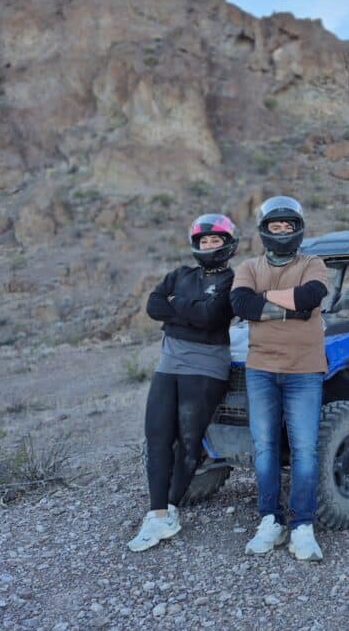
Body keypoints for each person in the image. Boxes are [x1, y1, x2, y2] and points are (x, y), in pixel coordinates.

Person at [128, 214, 239, 552]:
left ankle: (168, 510)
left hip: (206, 367)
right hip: (169, 363)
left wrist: (178, 306)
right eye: (204, 241)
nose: (208, 246)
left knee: (190, 440)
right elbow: (153, 305)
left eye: (215, 241)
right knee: (158, 435)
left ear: (227, 244)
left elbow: (212, 317)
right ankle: (158, 512)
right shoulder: (180, 275)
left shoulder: (232, 279)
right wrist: (190, 309)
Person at [230, 196, 329, 561]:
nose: (283, 231)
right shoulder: (249, 266)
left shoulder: (313, 263)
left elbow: (311, 297)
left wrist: (265, 303)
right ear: (265, 231)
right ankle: (269, 520)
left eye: (289, 226)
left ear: (298, 229)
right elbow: (240, 304)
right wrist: (290, 310)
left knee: (304, 449)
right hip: (261, 368)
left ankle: (303, 525)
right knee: (265, 447)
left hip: (305, 368)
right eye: (276, 226)